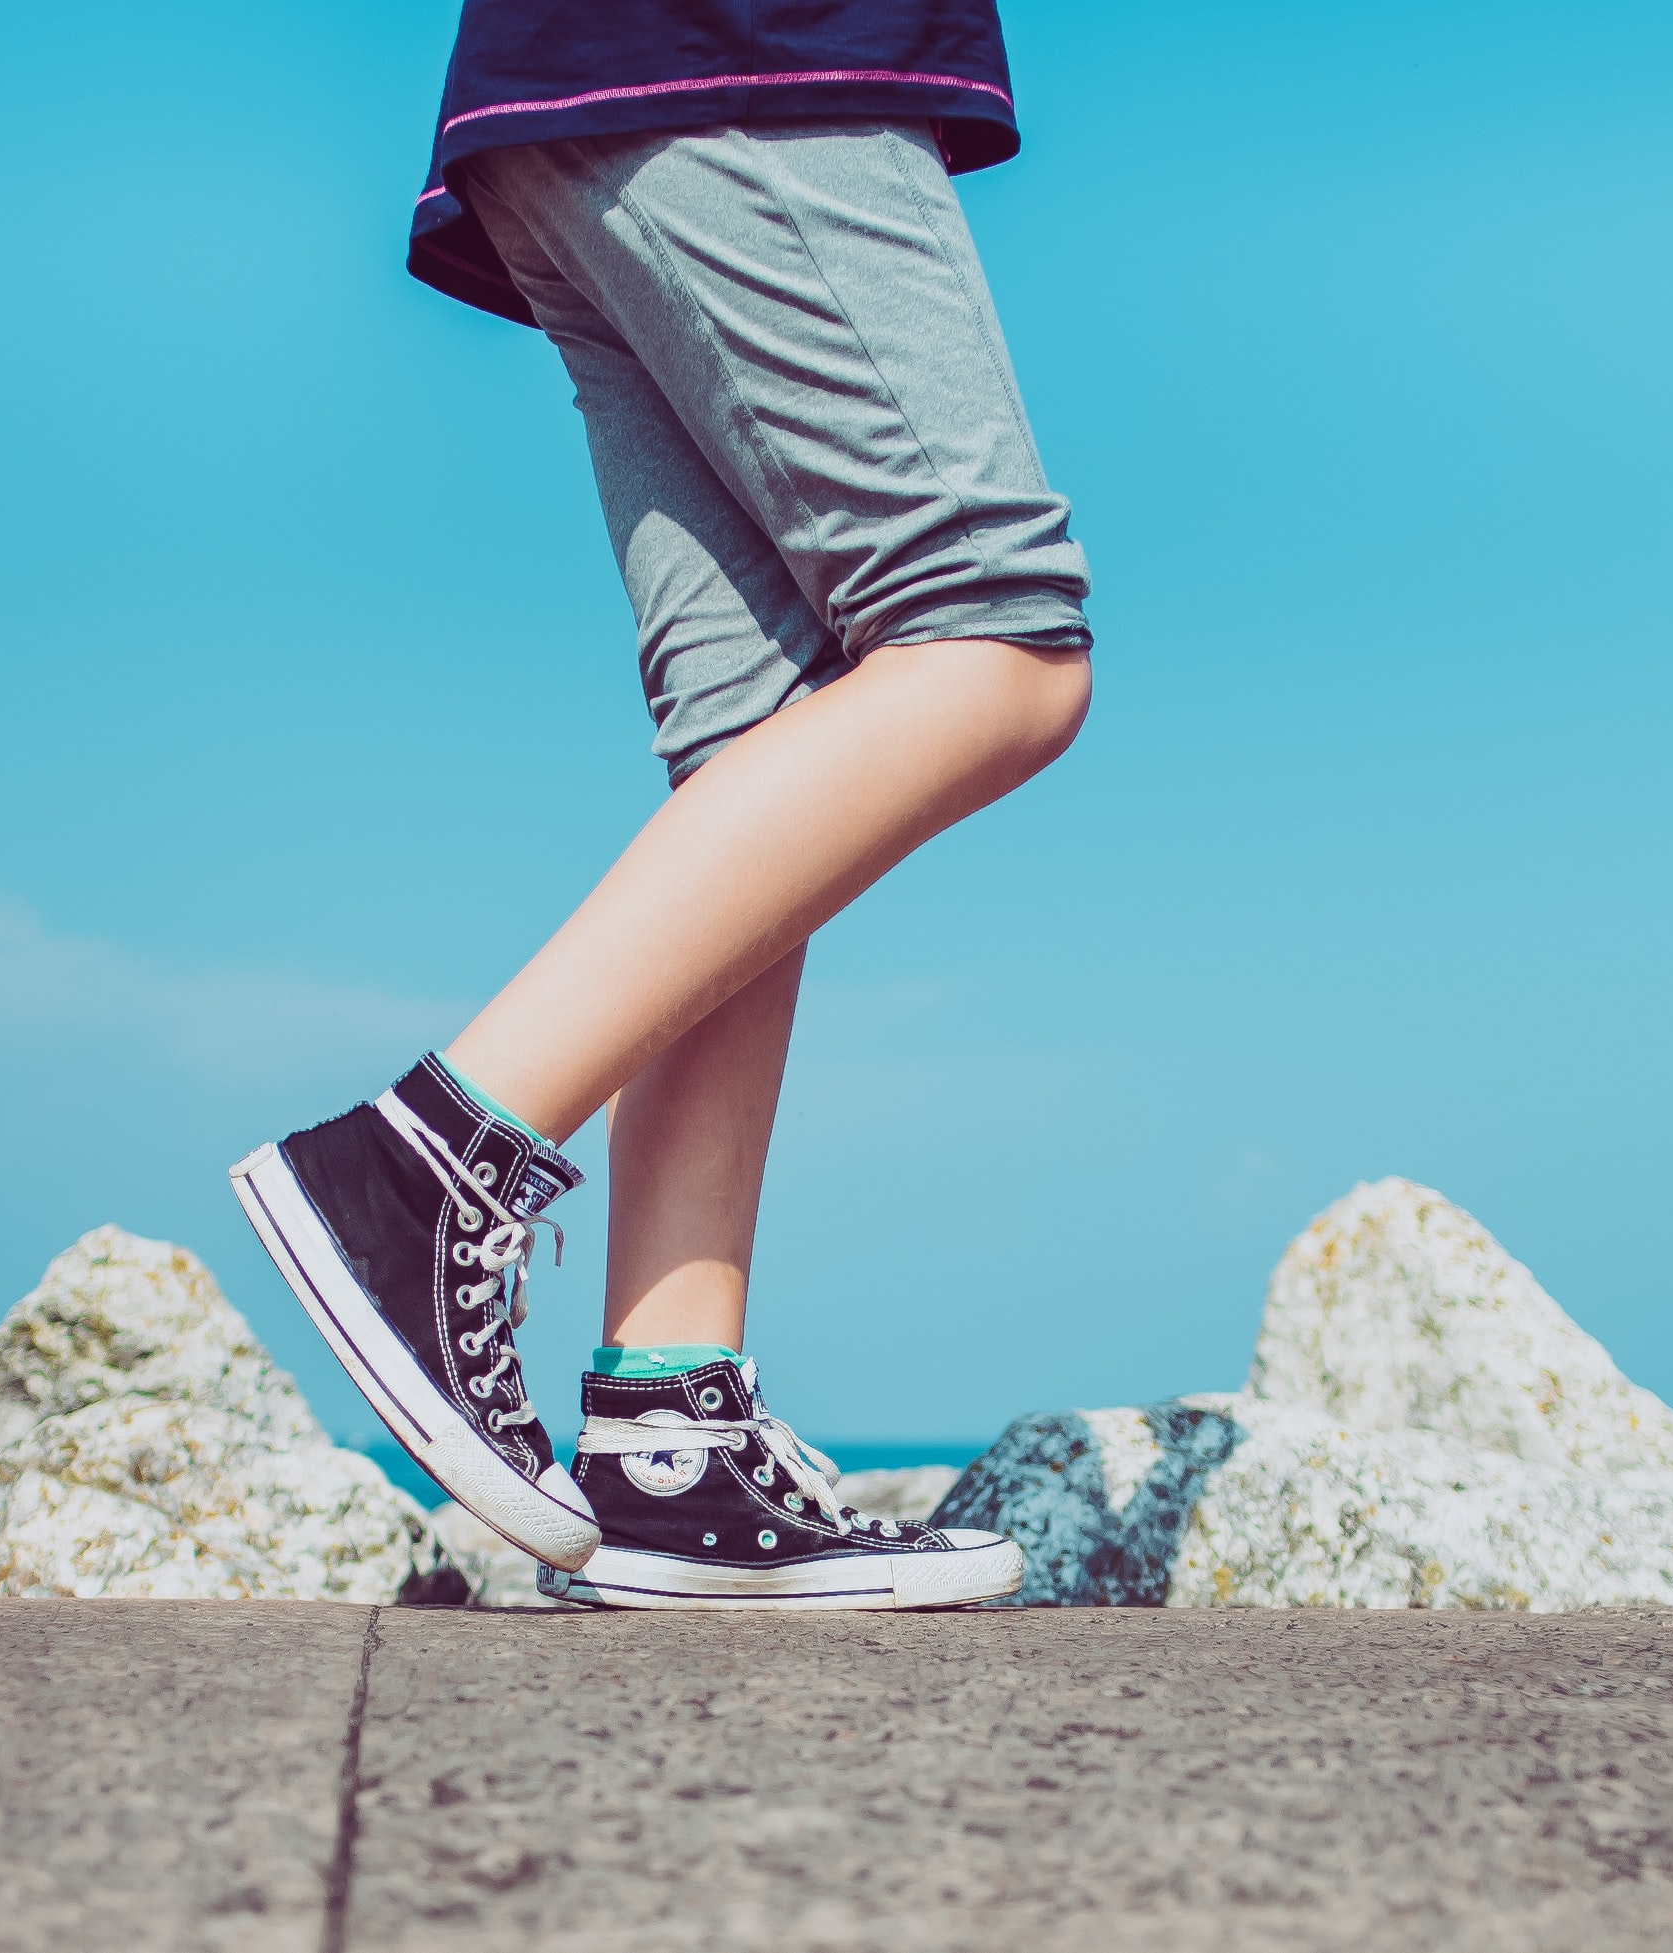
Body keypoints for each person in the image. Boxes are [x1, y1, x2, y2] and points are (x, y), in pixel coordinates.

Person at [228, 0, 1088, 1612]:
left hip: (577, 93)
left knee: (765, 747)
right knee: (997, 635)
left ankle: (667, 1432)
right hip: (752, 54)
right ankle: (420, 1166)